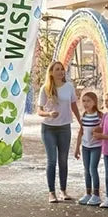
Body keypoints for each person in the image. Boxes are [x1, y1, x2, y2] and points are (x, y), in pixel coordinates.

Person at [37, 61, 81, 203]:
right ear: (51, 72)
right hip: (48, 129)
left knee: (63, 160)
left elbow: (74, 105)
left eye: (62, 69)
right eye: (57, 69)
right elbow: (39, 111)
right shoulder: (45, 88)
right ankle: (51, 193)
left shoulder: (69, 87)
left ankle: (63, 190)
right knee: (52, 160)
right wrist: (48, 114)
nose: (61, 72)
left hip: (64, 128)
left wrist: (81, 122)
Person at [74, 91, 102, 206]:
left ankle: (96, 195)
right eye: (83, 101)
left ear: (94, 102)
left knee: (92, 169)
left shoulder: (99, 116)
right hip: (85, 147)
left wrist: (99, 131)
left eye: (88, 101)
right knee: (86, 170)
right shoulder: (84, 115)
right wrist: (77, 148)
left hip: (96, 146)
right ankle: (88, 193)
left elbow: (105, 129)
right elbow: (81, 132)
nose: (86, 103)